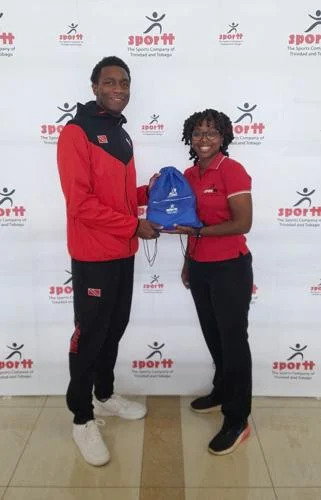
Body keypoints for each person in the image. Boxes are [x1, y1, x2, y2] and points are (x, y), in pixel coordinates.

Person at [57, 56, 160, 466]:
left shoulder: (121, 134)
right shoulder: (76, 133)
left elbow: (116, 198)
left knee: (114, 329)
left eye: (124, 82)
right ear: (95, 85)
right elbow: (81, 204)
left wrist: (148, 193)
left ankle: (104, 395)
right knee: (90, 335)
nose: (118, 88)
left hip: (123, 253)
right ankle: (81, 417)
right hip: (93, 255)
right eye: (110, 82)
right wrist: (134, 226)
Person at [174, 108, 253, 455]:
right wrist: (189, 262)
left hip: (230, 269)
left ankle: (237, 420)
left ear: (223, 138)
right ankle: (222, 390)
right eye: (197, 133)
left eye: (211, 133)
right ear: (189, 138)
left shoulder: (231, 170)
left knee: (233, 342)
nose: (203, 139)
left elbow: (243, 222)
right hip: (202, 268)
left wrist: (201, 232)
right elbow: (188, 220)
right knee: (213, 335)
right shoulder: (190, 174)